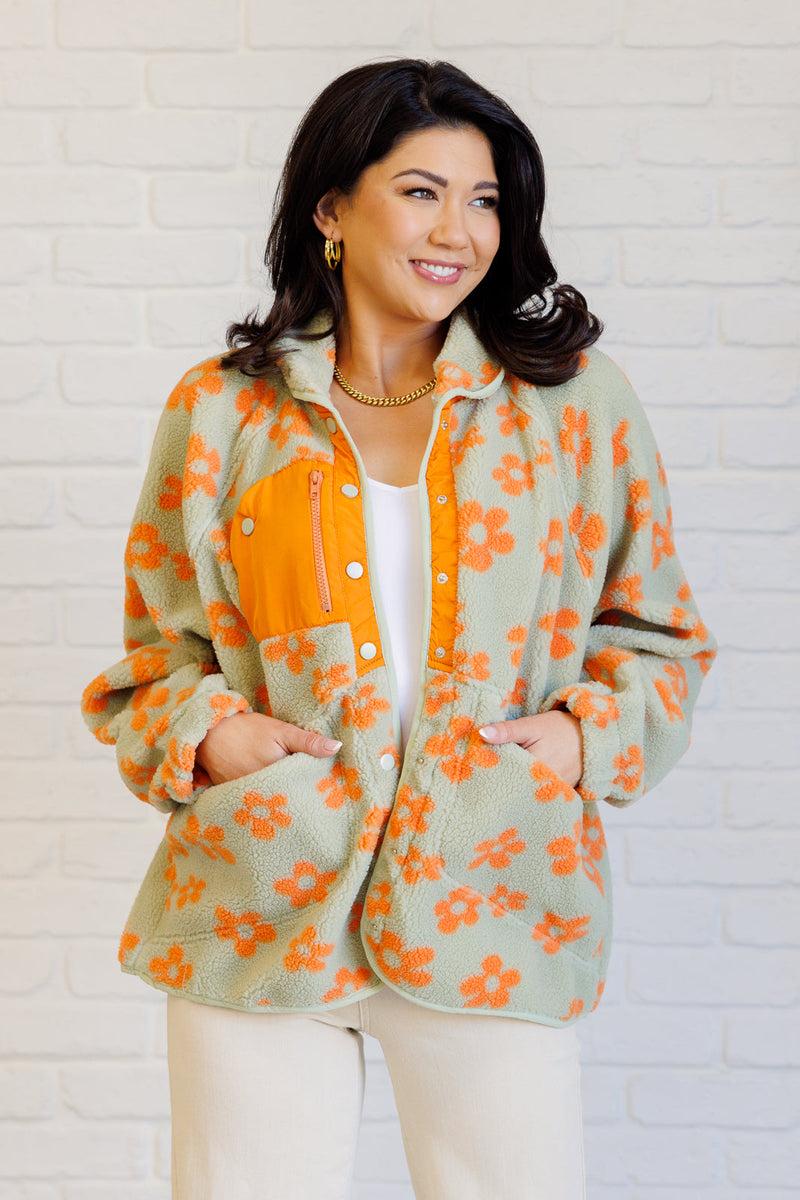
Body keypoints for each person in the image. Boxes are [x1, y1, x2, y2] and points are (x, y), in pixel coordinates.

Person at [81, 58, 716, 1200]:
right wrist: (214, 735)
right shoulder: (222, 412)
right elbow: (155, 652)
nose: (457, 230)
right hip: (260, 901)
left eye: (483, 201)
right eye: (420, 191)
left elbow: (657, 634)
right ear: (332, 207)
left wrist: (581, 740)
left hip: (496, 892)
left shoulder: (575, 407)